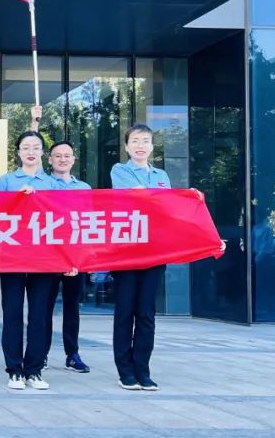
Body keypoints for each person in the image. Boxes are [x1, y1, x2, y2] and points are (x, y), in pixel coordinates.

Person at [0, 131, 57, 391]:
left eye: (36, 147)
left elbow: (63, 218)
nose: (31, 152)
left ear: (42, 152)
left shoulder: (52, 184)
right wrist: (15, 199)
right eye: (25, 147)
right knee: (13, 314)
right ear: (18, 152)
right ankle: (14, 370)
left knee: (40, 315)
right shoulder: (6, 181)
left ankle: (34, 370)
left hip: (45, 258)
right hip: (12, 257)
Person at [110, 124, 171, 392]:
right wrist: (159, 200)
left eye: (145, 141)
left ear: (152, 146)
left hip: (155, 251)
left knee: (146, 313)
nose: (140, 146)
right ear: (127, 146)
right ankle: (125, 371)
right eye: (135, 141)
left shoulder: (161, 175)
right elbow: (138, 198)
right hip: (126, 251)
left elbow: (169, 207)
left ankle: (143, 370)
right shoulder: (120, 171)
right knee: (125, 311)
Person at [46, 140, 92, 374]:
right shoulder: (42, 185)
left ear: (74, 159)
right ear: (50, 159)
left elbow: (88, 223)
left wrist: (82, 258)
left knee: (71, 308)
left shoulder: (84, 188)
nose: (62, 159)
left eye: (67, 155)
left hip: (75, 257)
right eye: (57, 155)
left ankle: (72, 354)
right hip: (47, 256)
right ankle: (40, 354)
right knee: (43, 308)